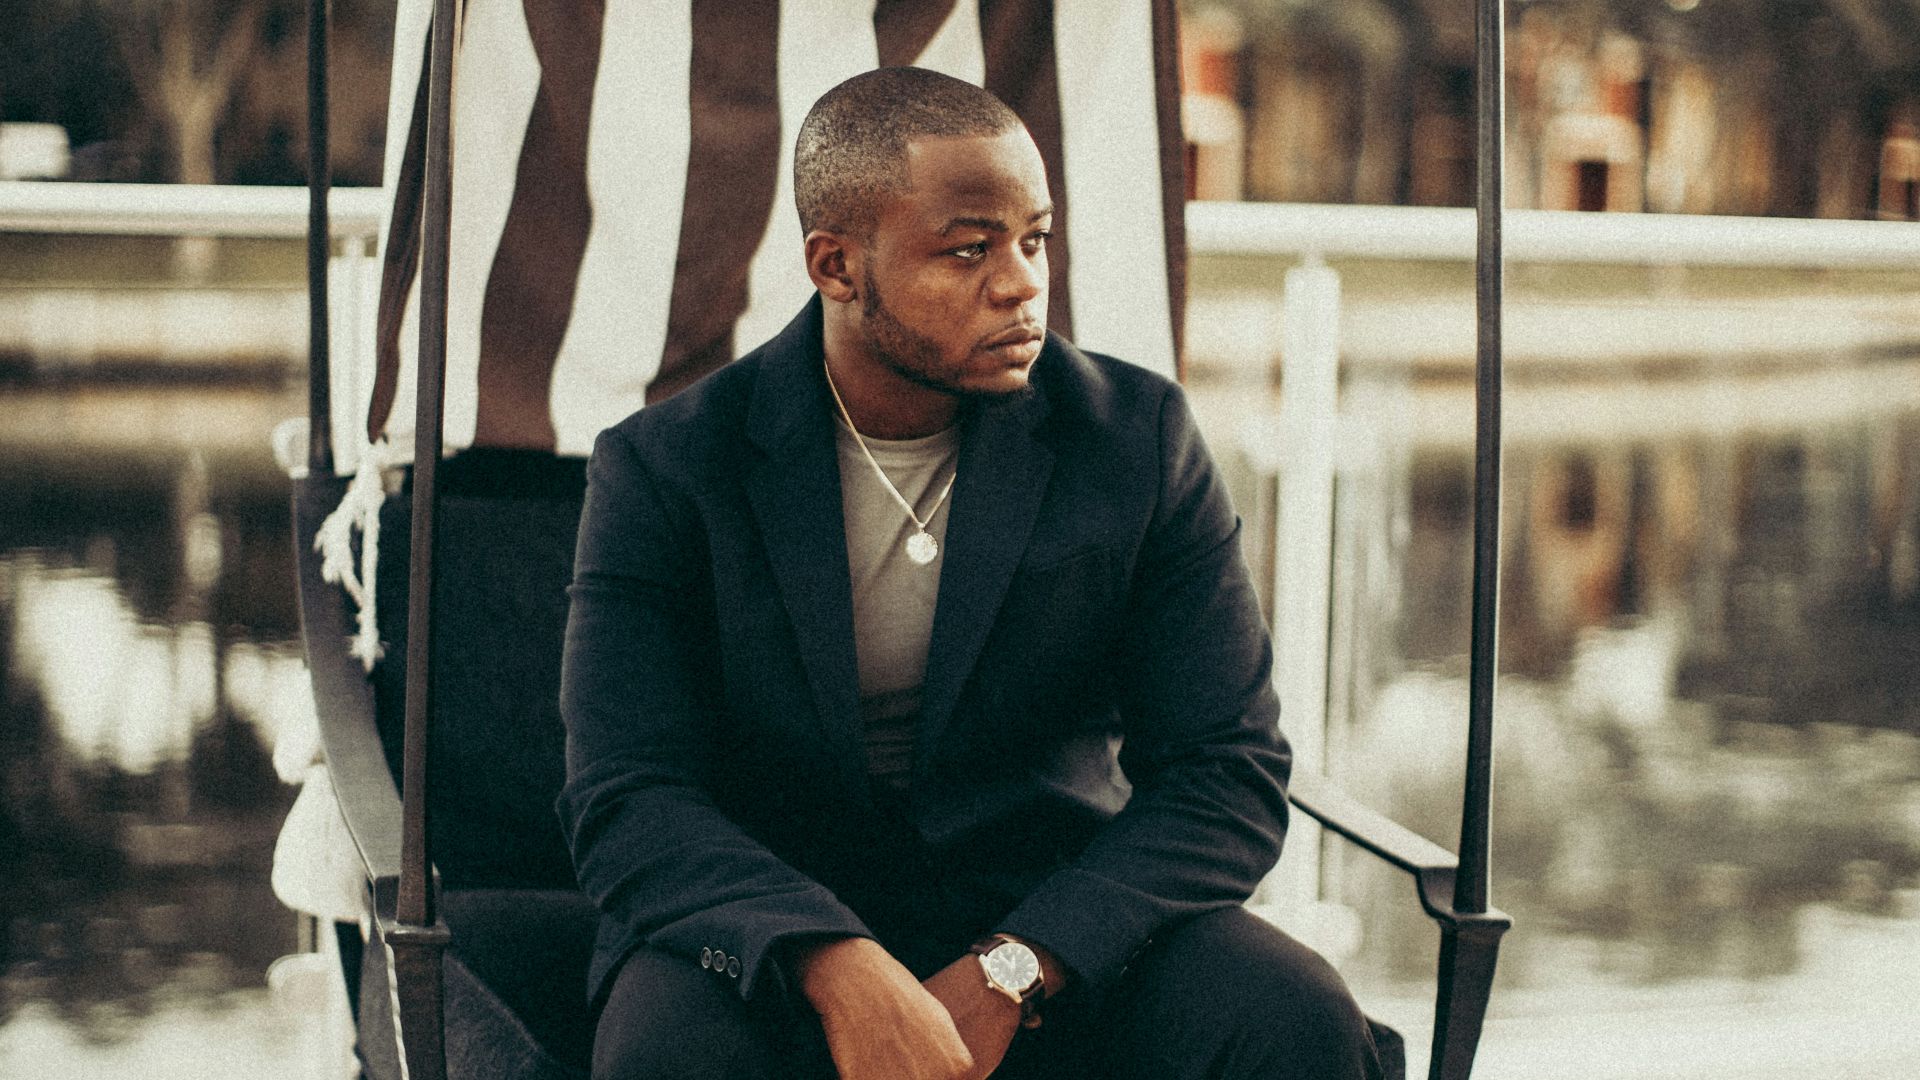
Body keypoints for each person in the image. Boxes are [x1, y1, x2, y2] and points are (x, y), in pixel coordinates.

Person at [558, 66, 1382, 1080]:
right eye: (968, 250)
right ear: (837, 267)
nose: (1021, 281)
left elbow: (1228, 773)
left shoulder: (1134, 439)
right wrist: (835, 965)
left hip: (1053, 922)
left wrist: (1022, 964)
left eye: (1034, 239)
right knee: (668, 1059)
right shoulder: (668, 465)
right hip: (767, 941)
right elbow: (629, 795)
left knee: (1292, 1016)